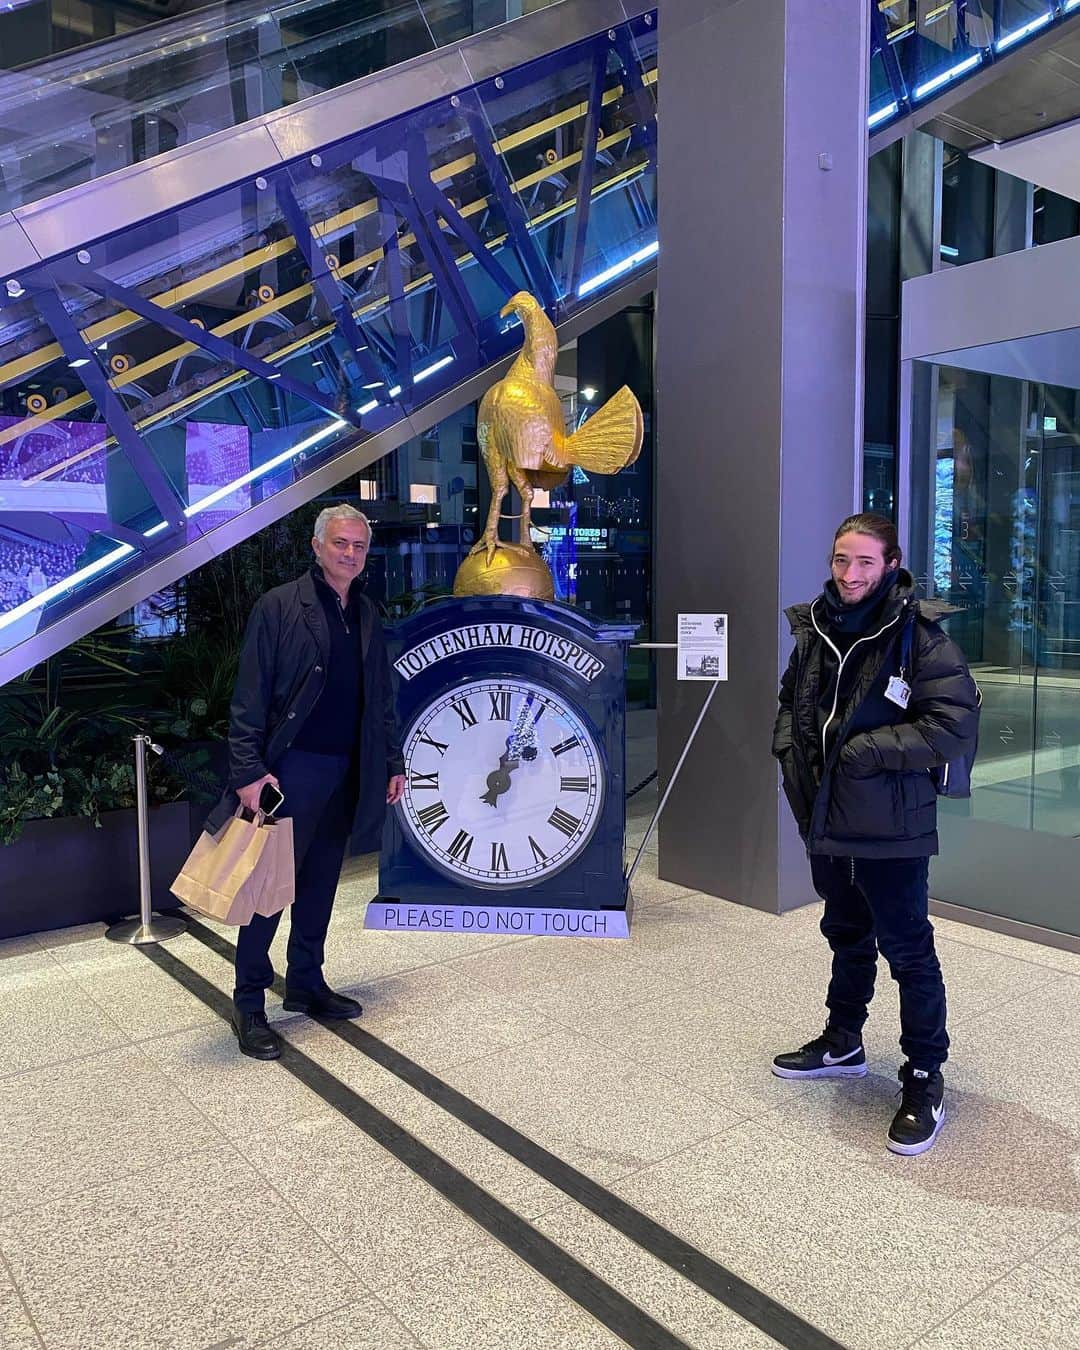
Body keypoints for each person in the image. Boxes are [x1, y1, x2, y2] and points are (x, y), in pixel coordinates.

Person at [771, 513, 980, 1155]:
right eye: (841, 560)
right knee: (846, 932)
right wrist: (786, 748)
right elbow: (790, 700)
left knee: (908, 949)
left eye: (864, 562)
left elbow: (952, 724)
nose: (850, 574)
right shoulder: (814, 629)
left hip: (893, 825)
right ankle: (845, 1041)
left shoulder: (920, 636)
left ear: (890, 564)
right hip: (826, 817)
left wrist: (863, 755)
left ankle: (923, 1076)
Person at [206, 505, 405, 1060]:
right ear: (317, 546)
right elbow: (249, 696)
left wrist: (391, 762)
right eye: (340, 543)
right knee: (268, 889)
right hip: (291, 771)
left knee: (320, 884)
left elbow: (380, 700)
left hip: (345, 769)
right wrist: (247, 771)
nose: (349, 553)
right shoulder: (279, 607)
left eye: (359, 546)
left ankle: (306, 984)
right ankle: (248, 1004)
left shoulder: (365, 612)